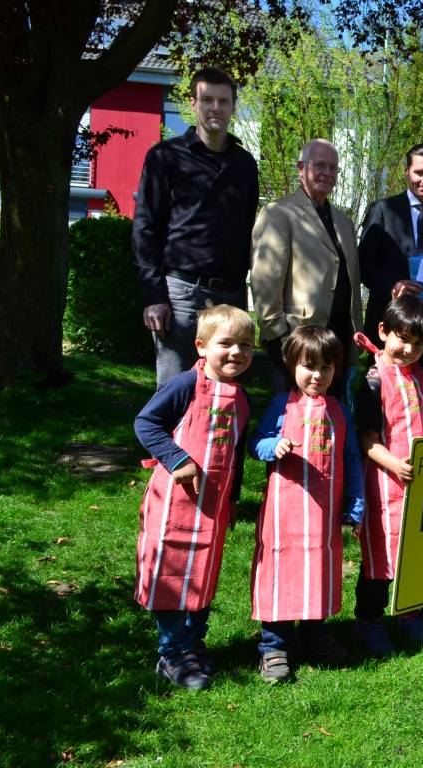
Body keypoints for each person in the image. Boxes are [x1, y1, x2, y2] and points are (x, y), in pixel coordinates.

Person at [133, 304, 254, 690]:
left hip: (212, 506)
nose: (237, 352)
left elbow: (236, 452)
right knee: (171, 574)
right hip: (174, 506)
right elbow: (146, 422)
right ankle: (172, 655)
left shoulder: (241, 398)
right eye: (226, 344)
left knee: (201, 573)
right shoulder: (184, 386)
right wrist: (177, 460)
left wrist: (233, 498)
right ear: (201, 347)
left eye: (246, 346)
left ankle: (191, 642)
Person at [249, 326, 365, 683]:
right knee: (281, 573)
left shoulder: (339, 410)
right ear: (291, 366)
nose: (317, 375)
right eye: (309, 366)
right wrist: (274, 447)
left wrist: (356, 504)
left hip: (323, 515)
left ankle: (316, 633)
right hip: (284, 515)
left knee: (319, 571)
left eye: (326, 368)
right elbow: (258, 443)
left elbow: (351, 459)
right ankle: (274, 644)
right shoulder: (280, 405)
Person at [132, 66, 259, 388]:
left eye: (223, 101)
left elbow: (247, 228)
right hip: (180, 294)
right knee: (176, 388)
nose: (216, 108)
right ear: (193, 104)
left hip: (230, 292)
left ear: (233, 106)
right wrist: (154, 296)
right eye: (208, 100)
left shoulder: (244, 165)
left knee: (225, 392)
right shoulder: (165, 157)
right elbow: (146, 227)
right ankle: (168, 440)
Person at [352, 295, 423, 654]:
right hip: (385, 483)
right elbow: (368, 440)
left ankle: (409, 613)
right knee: (379, 558)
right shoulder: (372, 381)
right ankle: (369, 620)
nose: (408, 348)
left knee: (416, 552)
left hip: (422, 483)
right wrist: (395, 464)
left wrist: (419, 305)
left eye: (417, 342)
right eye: (401, 338)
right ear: (382, 331)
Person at [250, 139, 361, 395]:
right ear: (301, 168)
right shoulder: (278, 213)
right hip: (297, 339)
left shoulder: (344, 222)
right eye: (320, 165)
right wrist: (280, 339)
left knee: (332, 418)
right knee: (293, 419)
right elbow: (265, 284)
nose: (327, 173)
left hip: (340, 339)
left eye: (333, 168)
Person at [358, 143, 423, 337]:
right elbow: (362, 265)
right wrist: (393, 286)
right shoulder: (383, 211)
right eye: (419, 172)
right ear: (406, 172)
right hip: (390, 322)